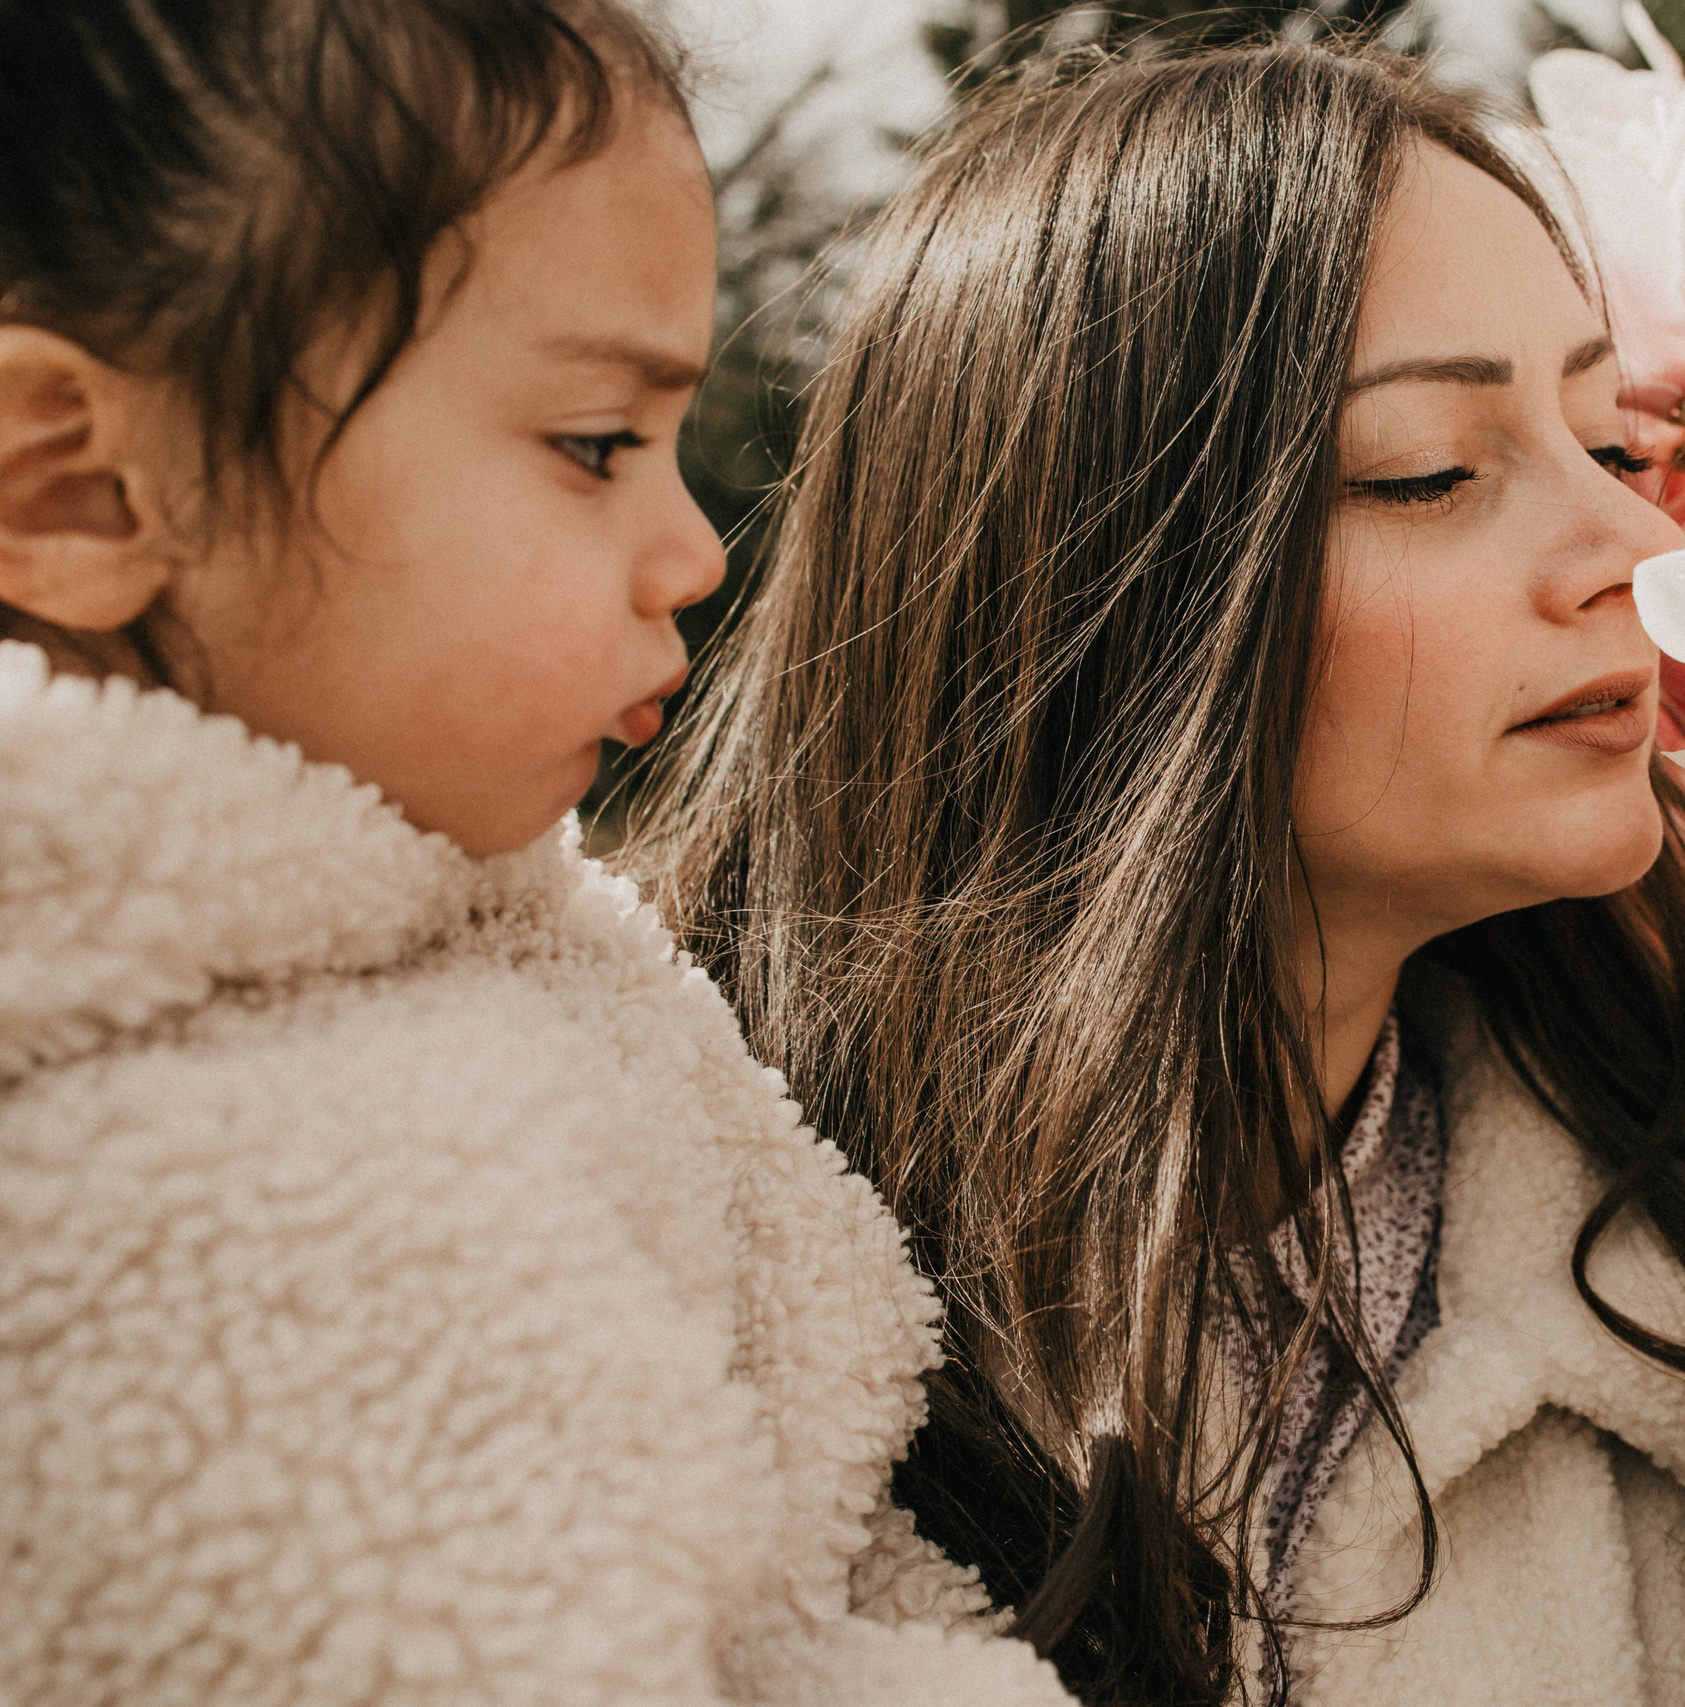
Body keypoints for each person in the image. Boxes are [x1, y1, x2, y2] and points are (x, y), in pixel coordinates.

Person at [633, 39, 1685, 1707]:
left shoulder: (1662, 1271)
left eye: (1604, 439)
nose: (1644, 547)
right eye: (1429, 471)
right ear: (1102, 589)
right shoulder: (656, 1244)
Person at [0, 4, 1069, 1701]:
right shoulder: (211, 1225)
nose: (694, 553)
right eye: (593, 444)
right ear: (79, 492)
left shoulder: (497, 935)